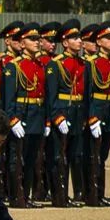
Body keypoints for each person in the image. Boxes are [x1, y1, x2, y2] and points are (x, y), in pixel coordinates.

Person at [43, 19, 88, 207]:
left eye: (79, 37)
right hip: (63, 114)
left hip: (77, 115)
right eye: (74, 38)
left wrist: (86, 117)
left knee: (74, 155)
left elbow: (87, 95)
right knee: (58, 157)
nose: (79, 41)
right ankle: (59, 196)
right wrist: (57, 117)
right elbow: (51, 95)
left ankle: (70, 195)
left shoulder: (84, 64)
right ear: (65, 42)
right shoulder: (56, 64)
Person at [1, 22, 46, 207]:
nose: (37, 42)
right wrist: (13, 120)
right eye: (32, 39)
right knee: (16, 158)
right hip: (21, 117)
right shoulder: (14, 67)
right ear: (22, 42)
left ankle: (26, 196)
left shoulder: (39, 65)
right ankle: (16, 196)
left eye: (37, 39)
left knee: (31, 158)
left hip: (36, 116)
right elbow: (8, 98)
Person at [83, 21, 110, 206]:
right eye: (107, 38)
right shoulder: (92, 64)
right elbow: (87, 94)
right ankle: (92, 194)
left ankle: (101, 193)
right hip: (97, 113)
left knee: (103, 155)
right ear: (98, 41)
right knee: (94, 155)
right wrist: (92, 118)